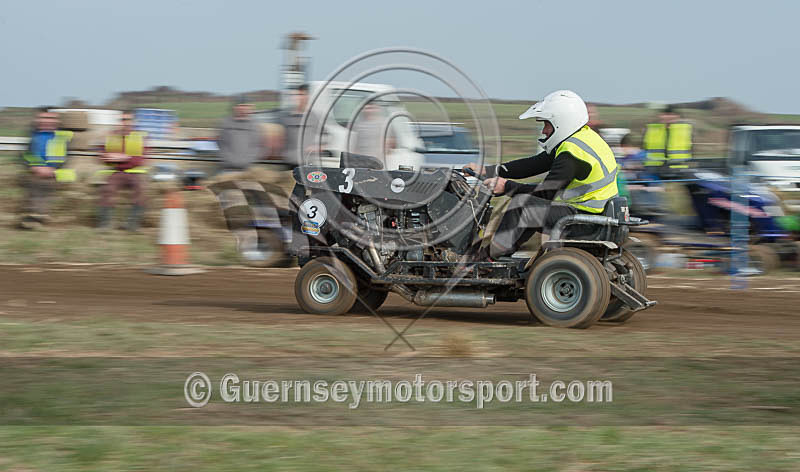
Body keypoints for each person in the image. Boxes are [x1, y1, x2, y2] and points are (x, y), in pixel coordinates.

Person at [464, 90, 619, 259]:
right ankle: (497, 255)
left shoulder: (572, 154)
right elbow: (533, 164)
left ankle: (487, 259)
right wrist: (487, 170)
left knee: (522, 206)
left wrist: (506, 186)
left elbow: (545, 193)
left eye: (547, 124)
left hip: (586, 220)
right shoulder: (582, 139)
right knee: (531, 207)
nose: (544, 131)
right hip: (595, 215)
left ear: (562, 123)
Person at [19, 108, 74, 230]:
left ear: (57, 121)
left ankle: (37, 216)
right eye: (43, 118)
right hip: (36, 170)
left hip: (56, 171)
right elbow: (25, 154)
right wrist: (34, 166)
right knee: (34, 182)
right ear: (37, 120)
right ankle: (34, 216)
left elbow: (65, 157)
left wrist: (52, 169)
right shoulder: (33, 136)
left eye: (51, 118)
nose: (47, 121)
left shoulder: (62, 137)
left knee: (45, 184)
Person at [97, 111, 148, 231]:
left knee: (141, 189)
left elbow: (139, 161)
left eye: (128, 120)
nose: (125, 123)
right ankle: (105, 223)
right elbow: (104, 157)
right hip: (117, 172)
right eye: (123, 120)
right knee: (107, 189)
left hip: (135, 173)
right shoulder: (112, 137)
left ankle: (133, 224)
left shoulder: (139, 137)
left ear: (133, 122)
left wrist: (122, 158)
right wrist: (124, 158)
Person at [642, 105, 693, 173]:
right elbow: (643, 149)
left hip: (679, 168)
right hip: (653, 168)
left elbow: (692, 149)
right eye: (665, 114)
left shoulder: (686, 129)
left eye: (671, 114)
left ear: (677, 116)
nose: (668, 117)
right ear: (660, 115)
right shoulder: (651, 129)